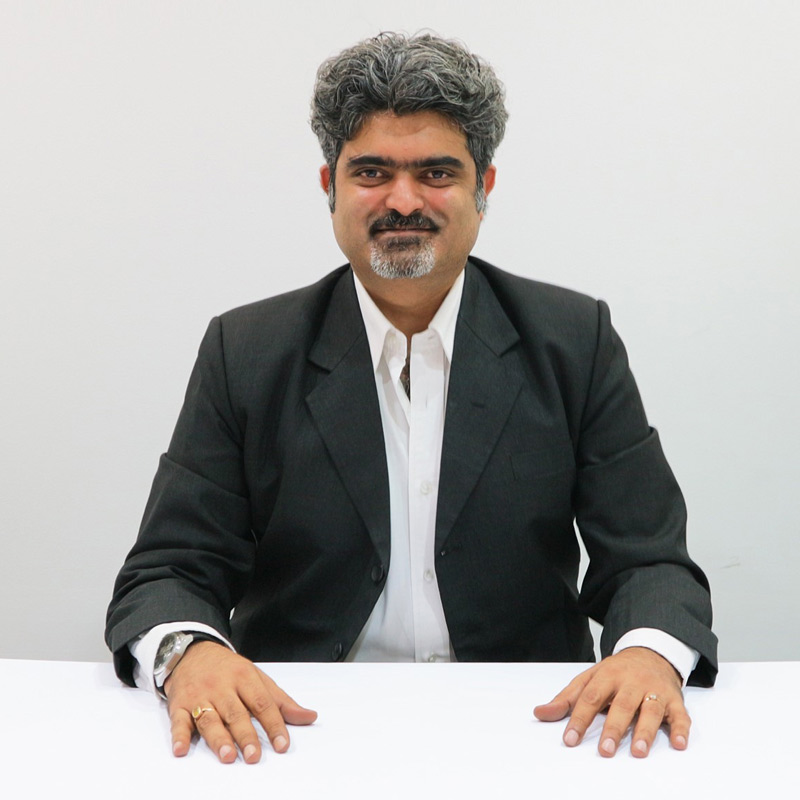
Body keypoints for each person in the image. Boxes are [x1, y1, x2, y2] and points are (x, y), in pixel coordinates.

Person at [106, 32, 717, 765]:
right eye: (371, 171)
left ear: (484, 188)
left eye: (436, 172)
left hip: (534, 729)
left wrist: (647, 653)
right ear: (330, 186)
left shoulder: (573, 341)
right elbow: (170, 569)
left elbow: (650, 561)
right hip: (295, 730)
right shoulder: (247, 351)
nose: (402, 200)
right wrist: (191, 654)